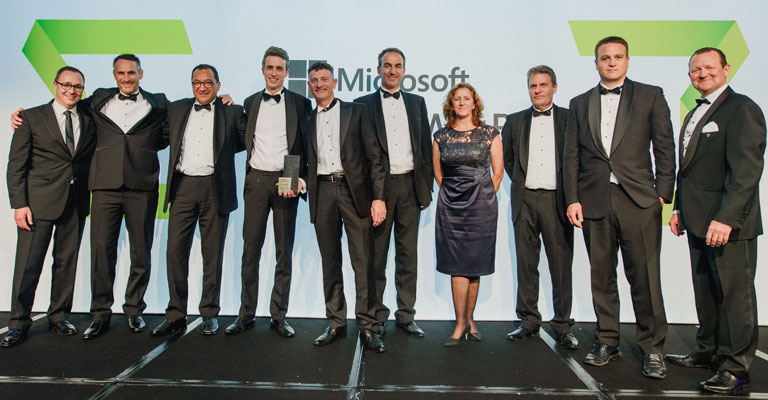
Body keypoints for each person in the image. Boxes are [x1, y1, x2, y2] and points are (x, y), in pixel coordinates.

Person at [562, 36, 675, 378]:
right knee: (602, 276)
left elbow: (665, 147)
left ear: (627, 61)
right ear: (595, 63)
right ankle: (607, 340)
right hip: (594, 199)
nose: (611, 62)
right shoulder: (579, 103)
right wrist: (572, 198)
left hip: (639, 200)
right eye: (604, 58)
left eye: (617, 57)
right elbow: (571, 156)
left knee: (645, 277)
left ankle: (652, 348)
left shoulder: (650, 95)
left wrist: (662, 194)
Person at [666, 47, 765, 395]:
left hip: (728, 225)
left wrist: (725, 219)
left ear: (726, 69)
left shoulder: (743, 109)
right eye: (695, 69)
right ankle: (708, 351)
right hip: (696, 221)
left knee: (735, 297)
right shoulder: (695, 111)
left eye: (709, 67)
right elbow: (688, 169)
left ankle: (736, 368)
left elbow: (746, 173)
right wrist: (678, 209)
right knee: (706, 293)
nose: (701, 74)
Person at [2, 67, 96, 347]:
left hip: (75, 202)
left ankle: (58, 316)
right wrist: (19, 204)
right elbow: (16, 164)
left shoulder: (89, 119)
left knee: (66, 264)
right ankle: (18, 322)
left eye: (77, 86)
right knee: (28, 266)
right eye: (66, 85)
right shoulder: (30, 117)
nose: (71, 90)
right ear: (55, 85)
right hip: (38, 204)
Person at [150, 64, 246, 337]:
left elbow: (247, 140)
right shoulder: (177, 108)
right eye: (196, 82)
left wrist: (230, 102)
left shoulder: (232, 111)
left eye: (208, 82)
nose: (202, 87)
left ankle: (209, 313)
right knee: (174, 253)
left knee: (212, 255)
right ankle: (175, 314)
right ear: (191, 85)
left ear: (218, 84)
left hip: (215, 188)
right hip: (182, 187)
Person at [225, 46, 311, 338]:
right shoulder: (250, 103)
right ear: (263, 70)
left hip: (286, 176)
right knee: (250, 250)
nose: (274, 73)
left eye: (279, 68)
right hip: (257, 180)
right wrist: (226, 103)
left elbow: (304, 145)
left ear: (287, 72)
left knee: (283, 251)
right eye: (269, 67)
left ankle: (278, 315)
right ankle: (245, 313)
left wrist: (294, 179)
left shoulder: (301, 103)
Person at [304, 61, 387, 353]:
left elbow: (375, 157)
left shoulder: (357, 112)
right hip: (322, 191)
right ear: (309, 84)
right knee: (330, 262)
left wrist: (378, 197)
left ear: (334, 82)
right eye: (313, 80)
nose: (318, 84)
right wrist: (295, 182)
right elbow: (299, 157)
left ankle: (368, 326)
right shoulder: (307, 118)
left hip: (355, 193)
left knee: (363, 262)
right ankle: (336, 323)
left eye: (323, 79)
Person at [354, 48, 433, 338]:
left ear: (404, 70)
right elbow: (359, 153)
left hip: (411, 187)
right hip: (379, 190)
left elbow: (424, 147)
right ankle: (376, 316)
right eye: (387, 66)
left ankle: (406, 315)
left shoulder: (417, 102)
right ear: (378, 70)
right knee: (376, 256)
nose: (392, 71)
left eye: (397, 66)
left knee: (407, 255)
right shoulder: (363, 105)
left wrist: (426, 189)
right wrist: (372, 194)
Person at [502, 66, 576, 349]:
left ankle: (563, 325)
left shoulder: (570, 119)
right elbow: (509, 160)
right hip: (526, 200)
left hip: (558, 201)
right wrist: (522, 184)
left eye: (543, 85)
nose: (537, 90)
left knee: (560, 265)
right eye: (533, 85)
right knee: (526, 263)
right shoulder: (516, 120)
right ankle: (529, 320)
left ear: (554, 88)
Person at [433, 83, 503, 347]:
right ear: (451, 105)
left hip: (482, 208)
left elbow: (498, 173)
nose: (462, 103)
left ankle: (470, 319)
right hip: (451, 208)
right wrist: (455, 197)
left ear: (475, 104)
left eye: (466, 99)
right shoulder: (441, 136)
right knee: (457, 265)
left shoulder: (490, 134)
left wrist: (482, 196)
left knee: (475, 265)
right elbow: (438, 174)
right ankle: (460, 323)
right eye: (457, 99)